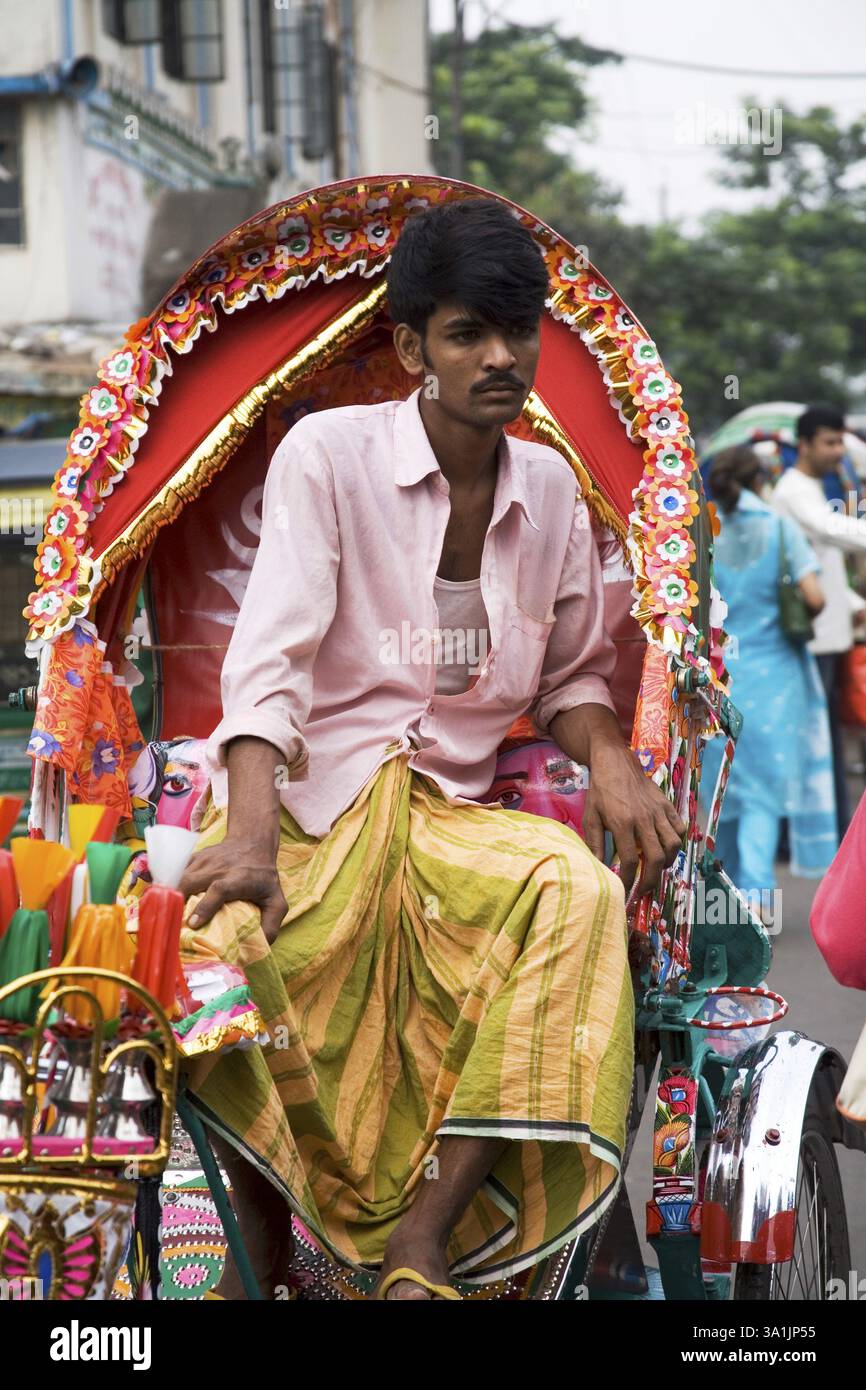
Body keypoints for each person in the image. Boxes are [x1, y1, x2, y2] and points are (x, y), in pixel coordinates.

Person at [177, 198, 685, 1301]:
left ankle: (423, 1235)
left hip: (445, 818)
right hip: (307, 806)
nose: (499, 357)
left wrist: (607, 753)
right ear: (412, 347)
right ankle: (262, 1235)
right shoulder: (327, 454)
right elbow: (267, 659)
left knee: (577, 892)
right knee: (226, 937)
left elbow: (566, 682)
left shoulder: (548, 490)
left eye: (517, 331)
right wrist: (252, 838)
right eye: (466, 334)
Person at [701, 446, 836, 907]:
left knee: (725, 787)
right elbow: (814, 596)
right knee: (761, 792)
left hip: (719, 677)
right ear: (761, 480)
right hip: (775, 675)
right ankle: (755, 893)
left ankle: (724, 895)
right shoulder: (780, 528)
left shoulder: (703, 531)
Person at [771, 405, 866, 839]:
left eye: (840, 443)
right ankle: (816, 836)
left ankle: (830, 835)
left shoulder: (812, 486)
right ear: (804, 444)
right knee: (814, 741)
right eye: (829, 442)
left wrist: (849, 602)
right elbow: (828, 531)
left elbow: (823, 563)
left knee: (825, 737)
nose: (836, 452)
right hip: (809, 640)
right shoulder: (794, 490)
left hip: (830, 634)